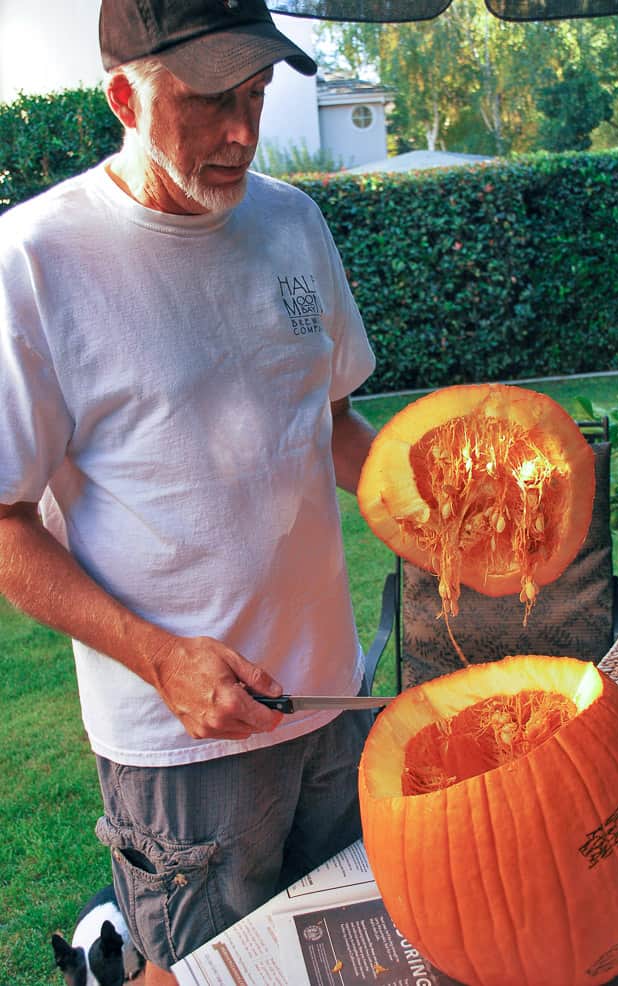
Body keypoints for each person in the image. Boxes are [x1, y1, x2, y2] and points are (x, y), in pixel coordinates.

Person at [0, 2, 378, 983]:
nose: (244, 133)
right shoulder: (33, 261)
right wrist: (162, 659)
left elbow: (330, 422)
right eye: (210, 100)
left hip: (333, 704)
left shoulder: (294, 221)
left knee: (355, 957)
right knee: (207, 973)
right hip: (179, 751)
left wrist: (436, 509)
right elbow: (5, 525)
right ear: (125, 95)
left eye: (255, 95)